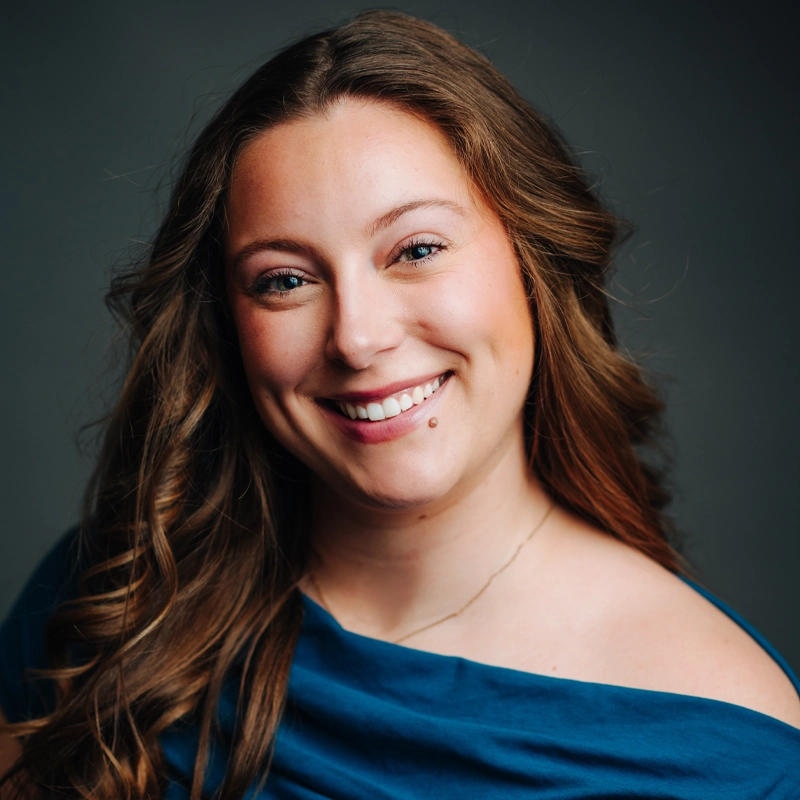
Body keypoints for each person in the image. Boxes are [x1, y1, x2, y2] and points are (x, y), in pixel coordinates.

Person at [1, 10, 799, 799]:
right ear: (226, 323)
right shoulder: (114, 592)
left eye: (417, 250)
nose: (357, 337)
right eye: (286, 280)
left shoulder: (725, 744)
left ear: (534, 265)